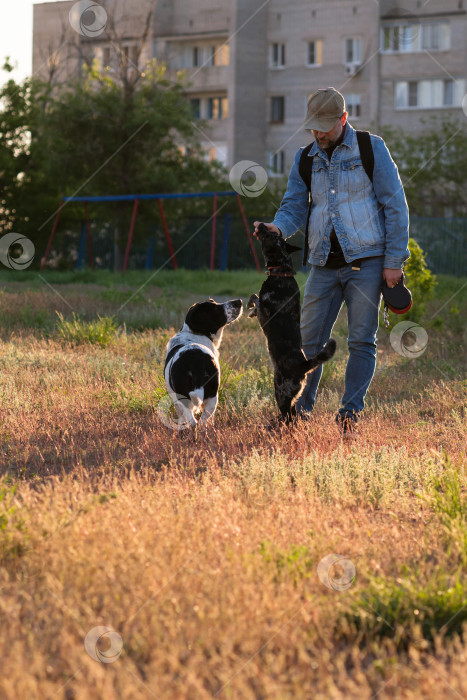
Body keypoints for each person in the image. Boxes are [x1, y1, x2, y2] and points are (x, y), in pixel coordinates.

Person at [254, 87, 409, 435]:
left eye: (325, 126)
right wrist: (276, 228)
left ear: (343, 118)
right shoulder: (305, 157)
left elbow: (395, 206)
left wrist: (394, 261)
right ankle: (298, 413)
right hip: (322, 263)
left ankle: (349, 414)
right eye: (314, 127)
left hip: (368, 262)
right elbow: (294, 205)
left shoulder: (371, 148)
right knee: (306, 345)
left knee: (361, 342)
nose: (319, 133)